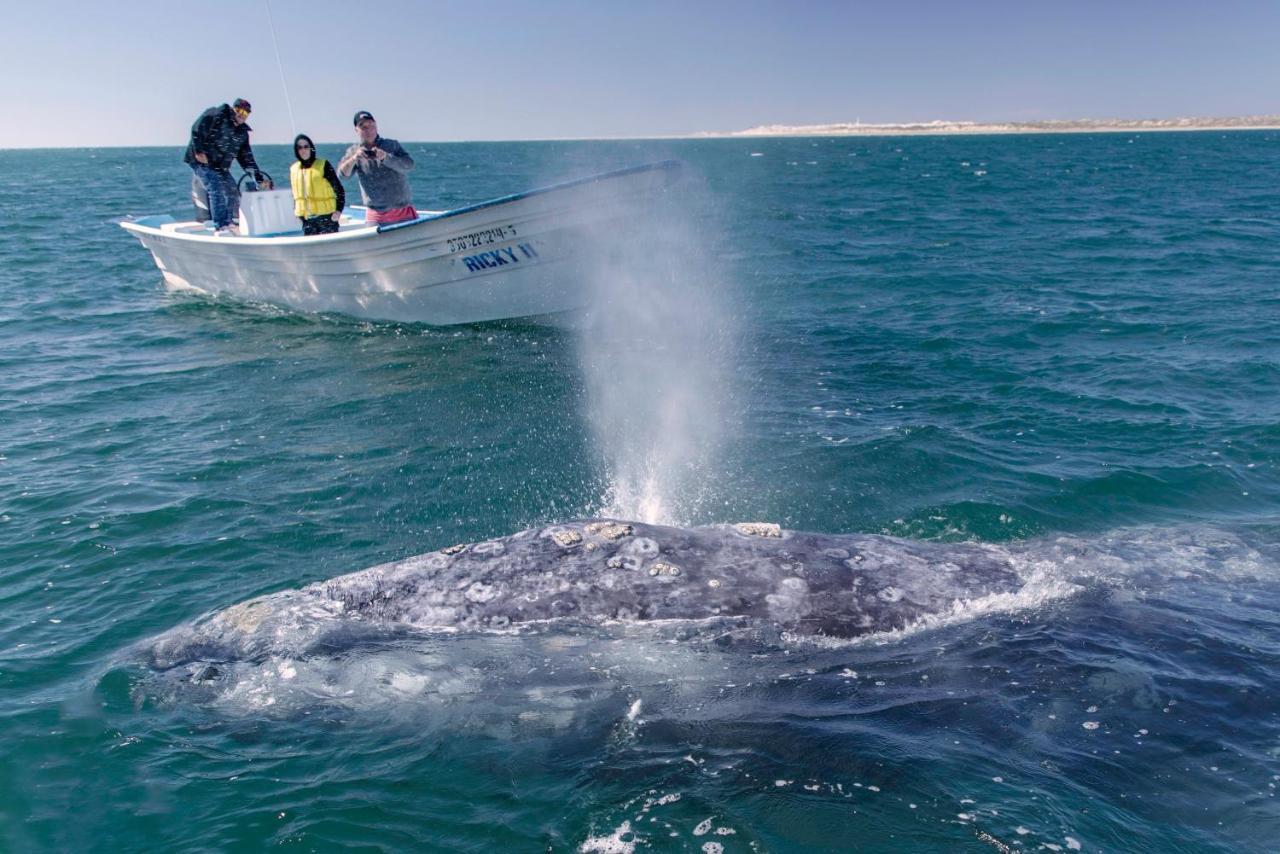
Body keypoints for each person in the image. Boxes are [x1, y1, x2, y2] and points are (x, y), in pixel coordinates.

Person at [183, 98, 271, 234]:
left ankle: (230, 221)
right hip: (201, 161)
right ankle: (221, 224)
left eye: (246, 113)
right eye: (239, 110)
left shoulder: (242, 133)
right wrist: (198, 151)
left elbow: (247, 158)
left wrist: (259, 179)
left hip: (219, 166)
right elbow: (196, 128)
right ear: (233, 109)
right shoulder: (217, 115)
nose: (242, 115)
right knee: (215, 187)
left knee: (232, 190)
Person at [337, 111, 417, 226]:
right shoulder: (353, 151)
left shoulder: (392, 145)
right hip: (375, 216)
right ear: (356, 130)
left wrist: (386, 157)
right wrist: (354, 158)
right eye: (363, 127)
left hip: (403, 212)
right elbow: (342, 175)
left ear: (376, 126)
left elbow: (409, 165)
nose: (368, 130)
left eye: (371, 125)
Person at [289, 134, 345, 235]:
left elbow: (339, 190)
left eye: (306, 146)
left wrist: (338, 210)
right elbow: (296, 195)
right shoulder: (294, 169)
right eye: (299, 147)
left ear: (311, 148)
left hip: (327, 218)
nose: (303, 150)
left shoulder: (324, 165)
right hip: (307, 221)